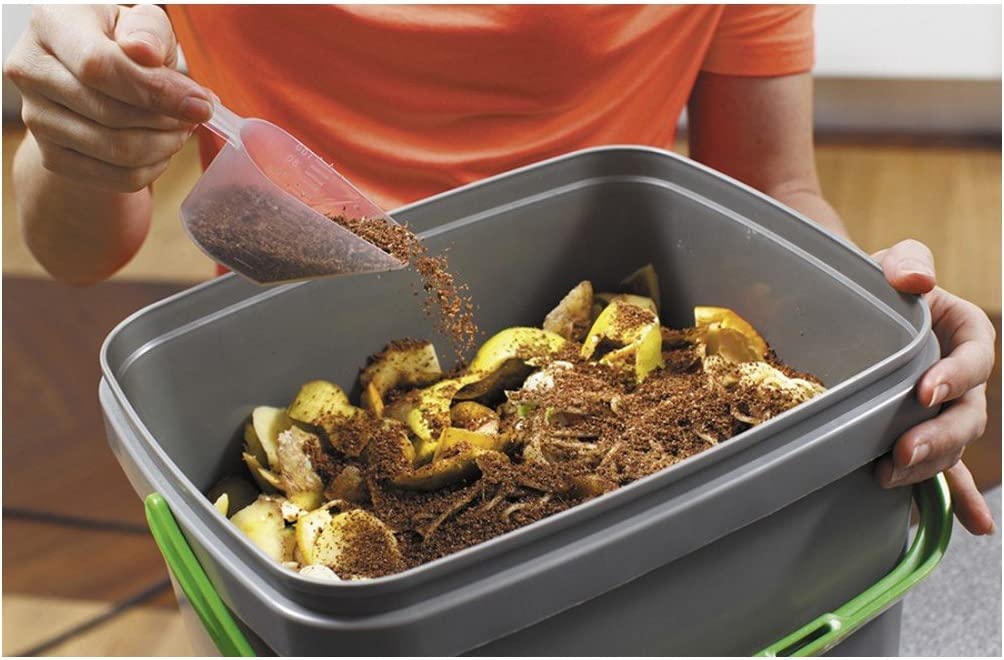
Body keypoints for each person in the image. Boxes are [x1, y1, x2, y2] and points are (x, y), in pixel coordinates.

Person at [5, 5, 995, 534]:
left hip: (616, 389)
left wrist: (870, 334)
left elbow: (770, 187)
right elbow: (78, 248)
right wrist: (81, 140)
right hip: (286, 373)